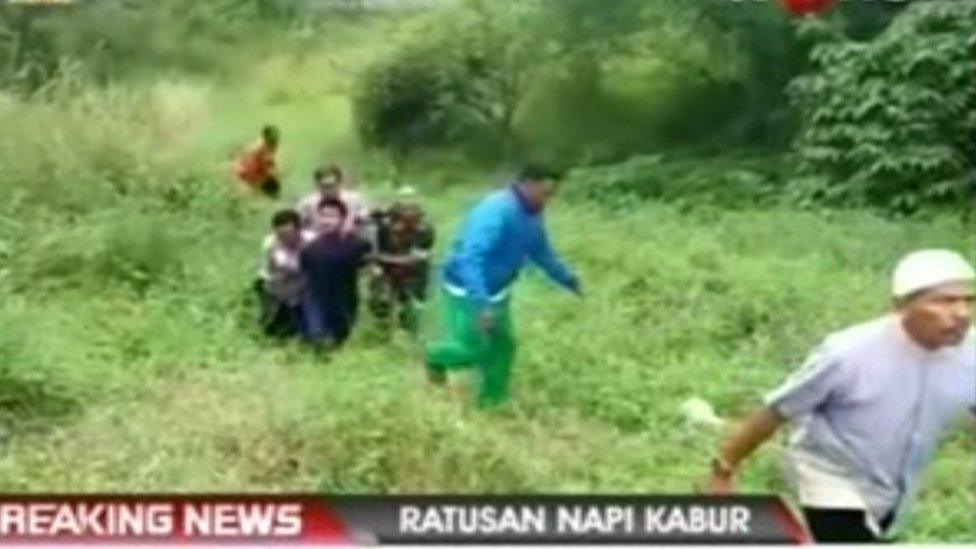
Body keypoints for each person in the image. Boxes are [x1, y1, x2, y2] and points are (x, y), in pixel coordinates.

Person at [707, 249, 976, 543]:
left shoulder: (969, 356)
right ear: (902, 306)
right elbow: (778, 410)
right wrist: (724, 468)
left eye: (968, 301)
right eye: (944, 301)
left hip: (894, 485)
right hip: (830, 473)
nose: (962, 313)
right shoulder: (849, 353)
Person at [425, 165, 582, 408]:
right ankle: (434, 356)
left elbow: (540, 250)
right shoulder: (495, 211)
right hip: (468, 289)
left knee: (503, 347)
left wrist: (567, 278)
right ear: (527, 184)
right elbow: (470, 258)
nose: (548, 200)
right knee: (472, 349)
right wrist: (481, 304)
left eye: (552, 194)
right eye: (545, 193)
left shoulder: (532, 211)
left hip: (498, 289)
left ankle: (492, 403)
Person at [299, 198, 373, 347]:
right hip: (317, 300)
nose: (327, 221)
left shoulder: (356, 244)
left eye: (332, 216)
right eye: (323, 216)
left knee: (340, 340)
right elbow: (305, 274)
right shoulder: (310, 248)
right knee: (319, 340)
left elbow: (367, 266)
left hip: (345, 301)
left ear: (342, 219)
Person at [367, 186, 436, 332]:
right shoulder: (384, 222)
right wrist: (377, 262)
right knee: (380, 302)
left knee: (411, 309)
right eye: (403, 201)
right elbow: (375, 249)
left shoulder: (425, 227)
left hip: (413, 273)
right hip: (386, 271)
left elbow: (417, 258)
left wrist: (385, 258)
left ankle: (408, 336)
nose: (407, 206)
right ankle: (382, 333)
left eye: (411, 201)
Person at [254, 210, 315, 337]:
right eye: (280, 235)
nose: (284, 238)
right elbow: (273, 268)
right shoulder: (271, 243)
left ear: (299, 230)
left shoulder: (313, 241)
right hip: (279, 286)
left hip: (307, 287)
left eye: (288, 234)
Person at [297, 165, 370, 234]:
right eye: (324, 186)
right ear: (317, 185)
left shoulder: (354, 200)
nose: (329, 190)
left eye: (331, 185)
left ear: (340, 184)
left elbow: (365, 220)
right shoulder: (307, 204)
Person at [235, 125, 281, 198]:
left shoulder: (273, 144)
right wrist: (241, 178)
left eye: (276, 137)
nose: (275, 139)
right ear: (266, 137)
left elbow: (270, 159)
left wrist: (272, 166)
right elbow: (242, 157)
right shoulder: (258, 147)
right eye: (272, 137)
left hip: (259, 169)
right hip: (251, 170)